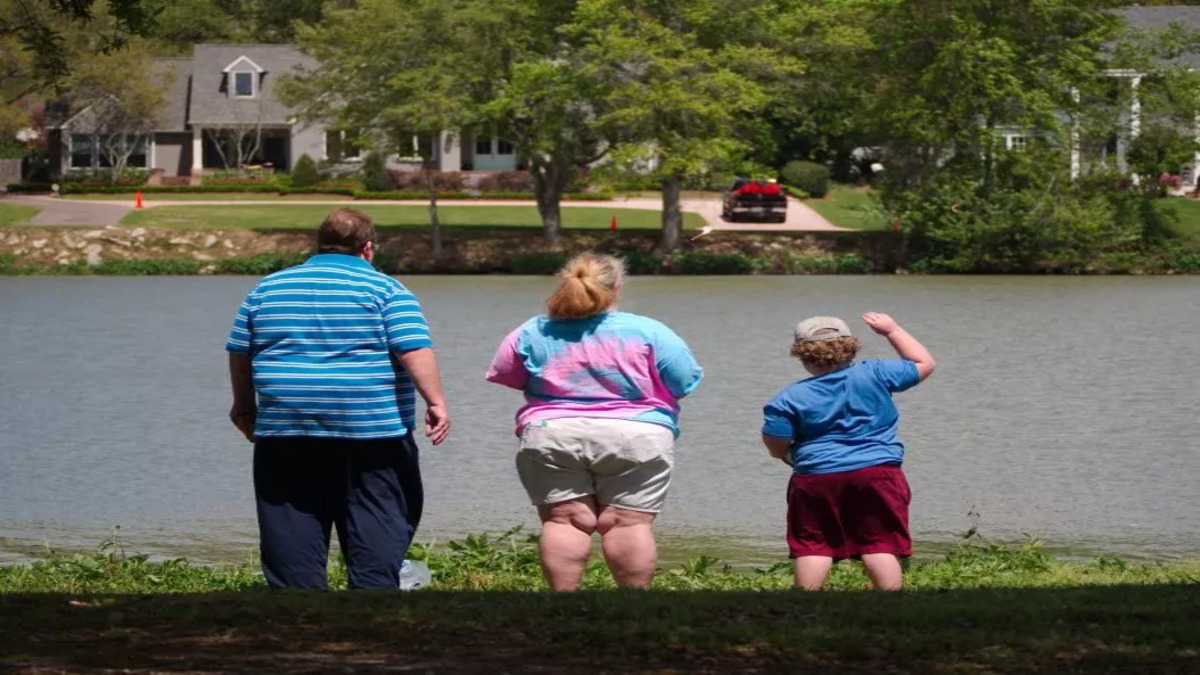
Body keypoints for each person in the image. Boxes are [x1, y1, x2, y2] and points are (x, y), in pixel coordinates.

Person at [225, 208, 450, 590]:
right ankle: (373, 594)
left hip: (286, 426)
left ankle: (300, 602)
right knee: (378, 512)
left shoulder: (267, 288)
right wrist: (436, 401)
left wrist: (244, 405)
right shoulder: (387, 290)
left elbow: (240, 350)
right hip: (371, 428)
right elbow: (412, 348)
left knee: (290, 516)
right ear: (367, 248)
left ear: (318, 245)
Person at [485, 252, 703, 591]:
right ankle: (633, 605)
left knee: (564, 522)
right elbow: (685, 382)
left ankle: (563, 602)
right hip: (637, 434)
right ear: (616, 288)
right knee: (628, 524)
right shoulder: (649, 331)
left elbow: (507, 375)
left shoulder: (532, 330)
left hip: (552, 433)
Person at [760, 313, 934, 591]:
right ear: (851, 347)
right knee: (880, 542)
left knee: (814, 544)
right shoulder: (876, 373)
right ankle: (890, 599)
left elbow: (776, 441)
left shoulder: (787, 398)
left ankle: (804, 599)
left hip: (816, 477)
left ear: (802, 356)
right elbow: (923, 363)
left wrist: (787, 455)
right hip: (878, 472)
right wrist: (892, 330)